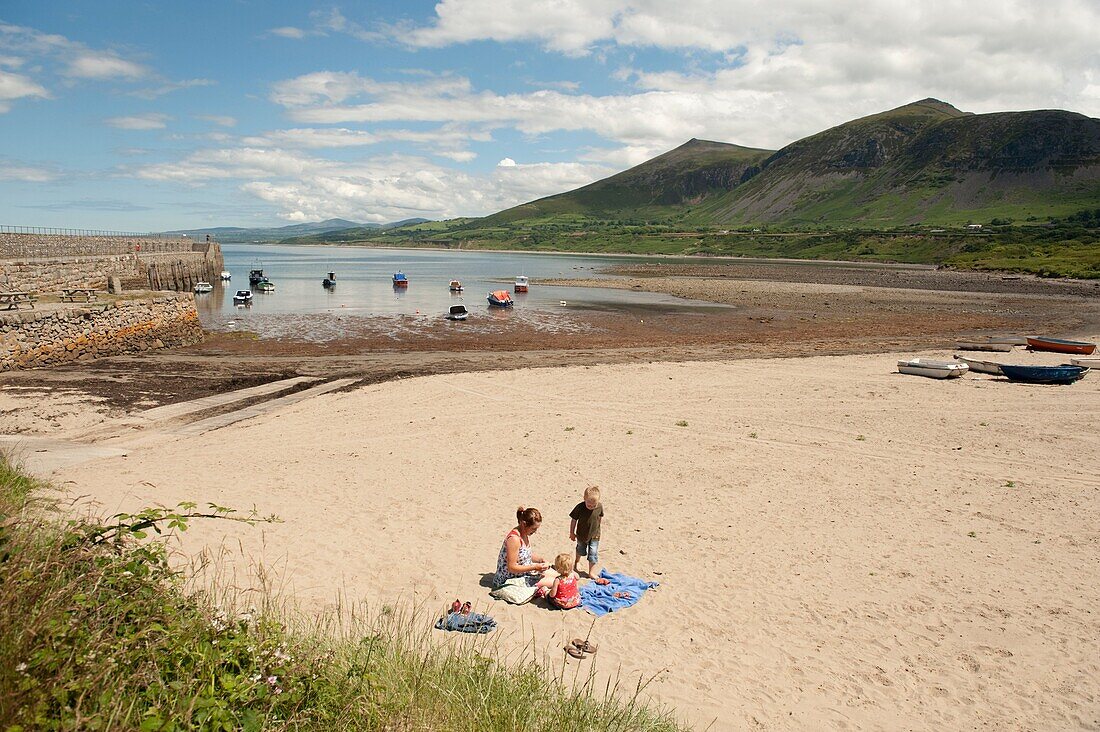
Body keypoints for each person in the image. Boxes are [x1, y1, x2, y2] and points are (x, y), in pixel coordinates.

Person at [492, 507, 550, 601]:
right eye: (534, 529)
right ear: (524, 524)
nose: (535, 532)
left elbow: (525, 554)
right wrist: (535, 567)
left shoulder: (524, 533)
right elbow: (512, 567)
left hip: (524, 572)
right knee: (554, 580)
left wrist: (541, 560)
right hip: (510, 578)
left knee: (555, 575)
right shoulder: (514, 539)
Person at [570, 486, 605, 578]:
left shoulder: (600, 507)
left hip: (595, 535)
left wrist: (598, 528)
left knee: (593, 553)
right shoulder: (580, 507)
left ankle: (591, 572)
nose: (591, 507)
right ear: (584, 499)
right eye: (589, 505)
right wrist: (572, 533)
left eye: (594, 505)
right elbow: (574, 520)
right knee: (580, 549)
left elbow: (600, 517)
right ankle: (577, 561)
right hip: (581, 534)